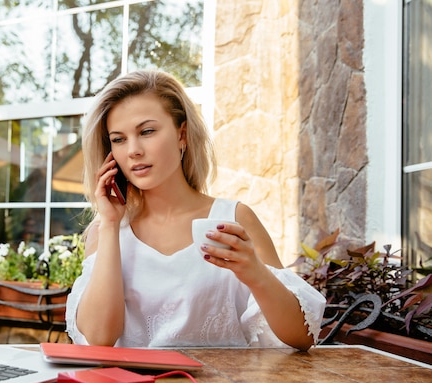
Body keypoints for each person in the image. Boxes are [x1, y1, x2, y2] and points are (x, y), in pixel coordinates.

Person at [65, 70, 326, 350]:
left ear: (182, 134)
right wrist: (111, 224)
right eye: (118, 139)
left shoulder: (232, 219)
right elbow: (99, 339)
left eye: (147, 131)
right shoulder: (106, 230)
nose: (133, 150)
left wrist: (255, 273)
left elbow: (302, 338)